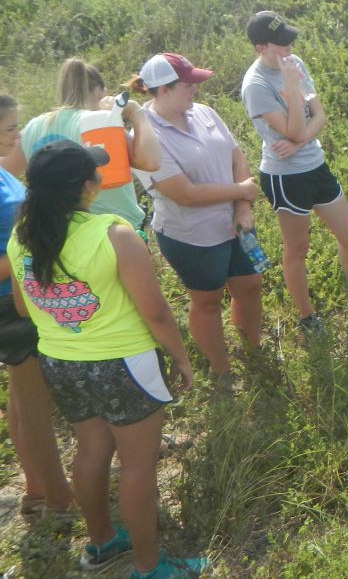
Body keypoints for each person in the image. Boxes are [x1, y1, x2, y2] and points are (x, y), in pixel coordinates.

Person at [8, 141, 202, 579]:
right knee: (138, 465)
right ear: (87, 188)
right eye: (95, 173)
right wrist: (181, 358)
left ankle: (100, 543)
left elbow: (23, 308)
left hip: (61, 362)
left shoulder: (21, 238)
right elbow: (155, 312)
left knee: (91, 451)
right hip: (123, 364)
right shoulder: (114, 234)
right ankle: (149, 567)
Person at [241, 11, 348, 334]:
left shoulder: (296, 63)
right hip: (284, 177)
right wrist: (291, 92)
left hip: (314, 164)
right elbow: (291, 130)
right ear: (260, 47)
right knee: (298, 249)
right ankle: (307, 318)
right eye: (280, 46)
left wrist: (301, 138)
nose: (288, 50)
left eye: (290, 42)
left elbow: (319, 115)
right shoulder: (257, 86)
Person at [129, 53, 263, 385]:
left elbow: (237, 158)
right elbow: (184, 194)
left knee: (250, 285)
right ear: (162, 90)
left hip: (234, 222)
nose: (195, 91)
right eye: (188, 85)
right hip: (191, 235)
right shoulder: (144, 138)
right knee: (207, 301)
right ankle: (221, 371)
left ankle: (254, 351)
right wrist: (240, 192)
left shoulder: (203, 113)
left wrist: (243, 206)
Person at [0, 95, 72, 517]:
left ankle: (34, 487)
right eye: (10, 128)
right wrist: (33, 248)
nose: (16, 134)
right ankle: (59, 498)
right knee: (36, 405)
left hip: (18, 300)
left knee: (22, 396)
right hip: (11, 307)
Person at [3, 57, 161, 231]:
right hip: (114, 230)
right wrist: (135, 111)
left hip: (57, 231)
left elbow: (5, 171)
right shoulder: (100, 124)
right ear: (100, 92)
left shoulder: (35, 127)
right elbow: (151, 162)